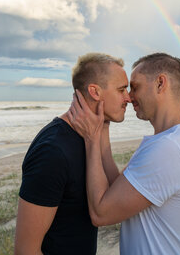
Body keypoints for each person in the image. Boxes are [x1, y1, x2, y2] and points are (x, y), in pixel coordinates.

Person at [67, 53, 180, 255]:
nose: (129, 97)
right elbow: (117, 188)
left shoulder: (169, 149)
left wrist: (91, 139)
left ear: (160, 83)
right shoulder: (171, 140)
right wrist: (103, 124)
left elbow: (101, 213)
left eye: (135, 87)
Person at [14, 52, 131, 255]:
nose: (128, 98)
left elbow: (112, 193)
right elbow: (26, 250)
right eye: (122, 90)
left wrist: (103, 126)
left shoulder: (91, 138)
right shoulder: (52, 151)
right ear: (95, 91)